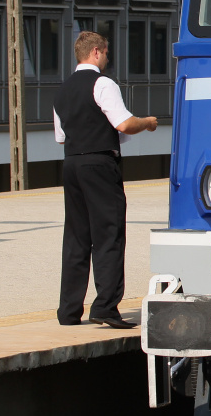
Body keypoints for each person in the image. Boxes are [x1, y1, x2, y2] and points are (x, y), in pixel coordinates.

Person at [52, 31, 158, 328]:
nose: (108, 57)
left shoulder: (62, 91)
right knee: (108, 234)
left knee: (76, 238)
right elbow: (124, 123)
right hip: (99, 162)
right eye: (107, 52)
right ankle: (105, 307)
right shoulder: (102, 83)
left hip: (72, 163)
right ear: (96, 52)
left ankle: (69, 311)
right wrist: (147, 123)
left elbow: (61, 137)